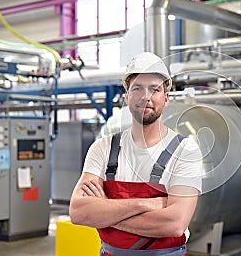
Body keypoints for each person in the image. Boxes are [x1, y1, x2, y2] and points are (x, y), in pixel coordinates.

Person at [69, 52, 203, 256]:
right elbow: (79, 212)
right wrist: (148, 204)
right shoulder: (103, 147)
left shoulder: (185, 151)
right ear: (127, 96)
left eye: (154, 89)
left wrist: (105, 211)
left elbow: (175, 223)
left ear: (166, 98)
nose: (145, 96)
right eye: (137, 88)